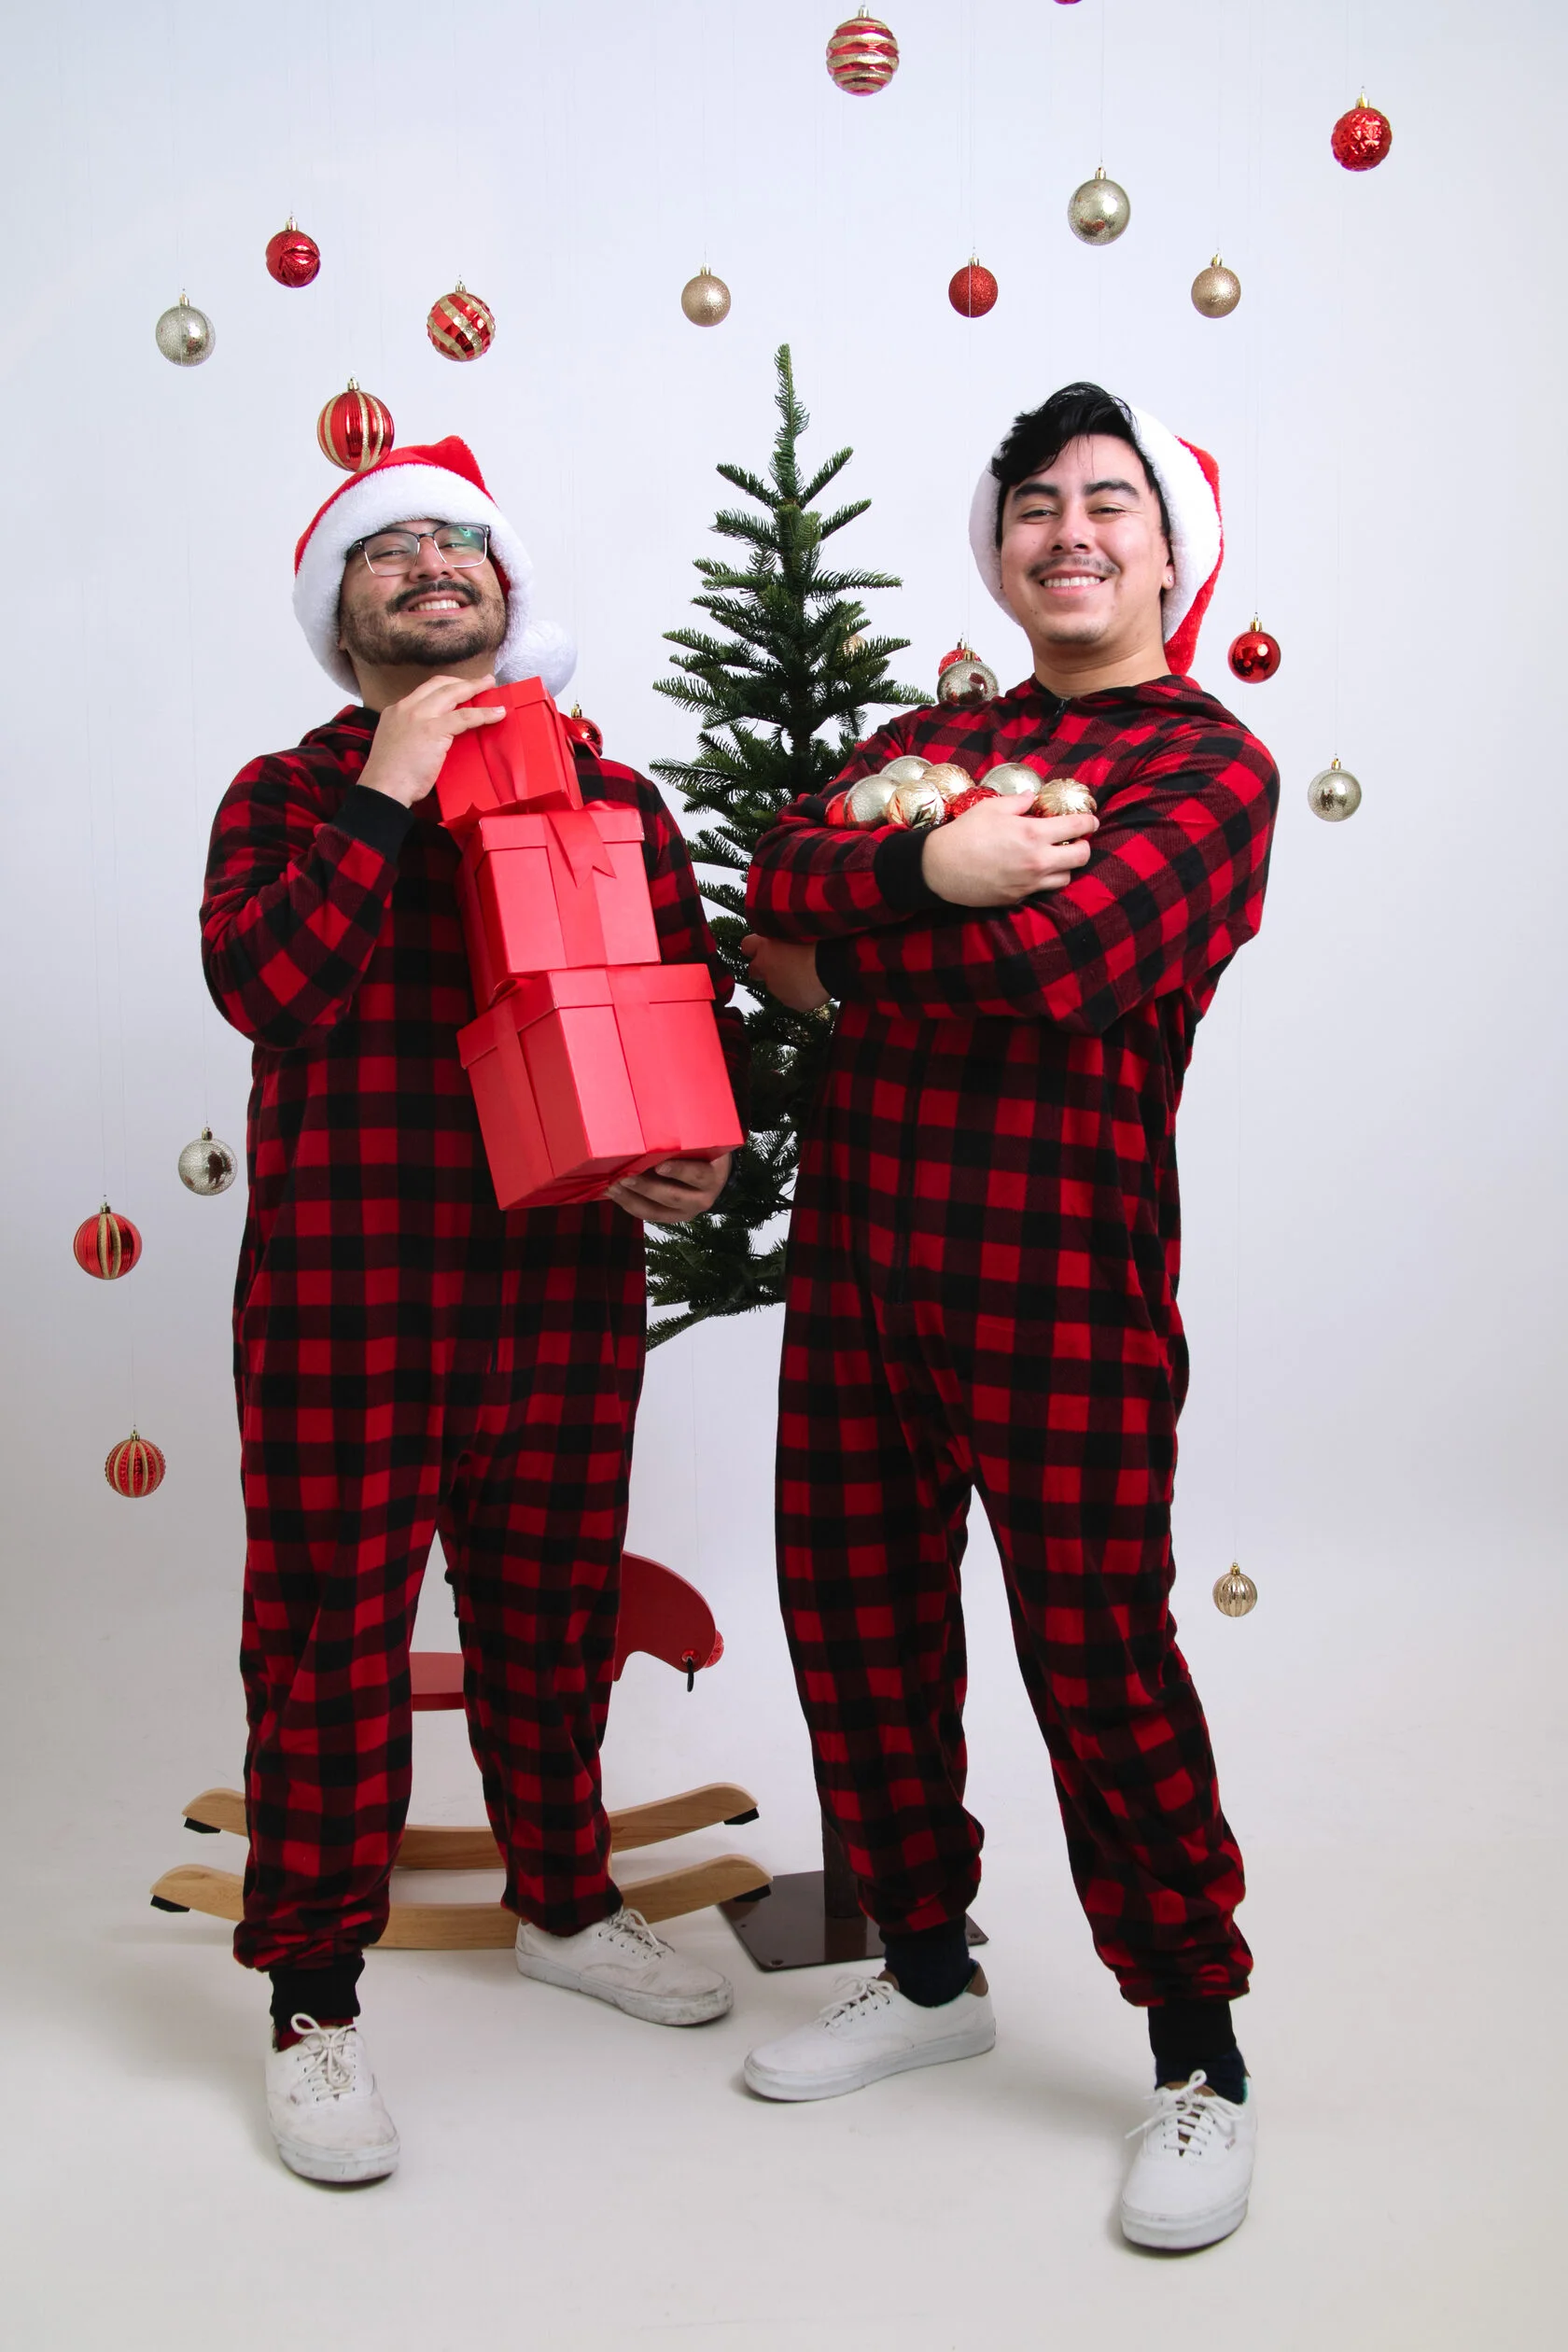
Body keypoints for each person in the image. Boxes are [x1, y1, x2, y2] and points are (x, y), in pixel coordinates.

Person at [739, 385, 1278, 2251]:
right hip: (863, 1263)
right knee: (856, 1613)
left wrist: (858, 952)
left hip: (1062, 1280)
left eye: (1108, 502)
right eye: (1037, 501)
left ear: (1160, 548)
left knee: (1099, 1663)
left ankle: (1198, 2056)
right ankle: (927, 1972)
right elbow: (774, 886)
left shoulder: (1208, 773)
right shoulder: (937, 744)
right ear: (1002, 543)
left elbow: (1065, 970)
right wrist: (926, 868)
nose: (1071, 528)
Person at [201, 437, 746, 2185]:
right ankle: (311, 1998)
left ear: (509, 593)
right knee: (327, 1639)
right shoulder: (285, 799)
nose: (430, 562)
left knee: (552, 1611)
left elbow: (681, 1020)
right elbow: (265, 988)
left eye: (458, 546)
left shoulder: (614, 799)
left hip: (561, 1285)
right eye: (388, 552)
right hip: (349, 1294)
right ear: (340, 617)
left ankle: (567, 1906)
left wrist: (693, 1164)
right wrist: (389, 784)